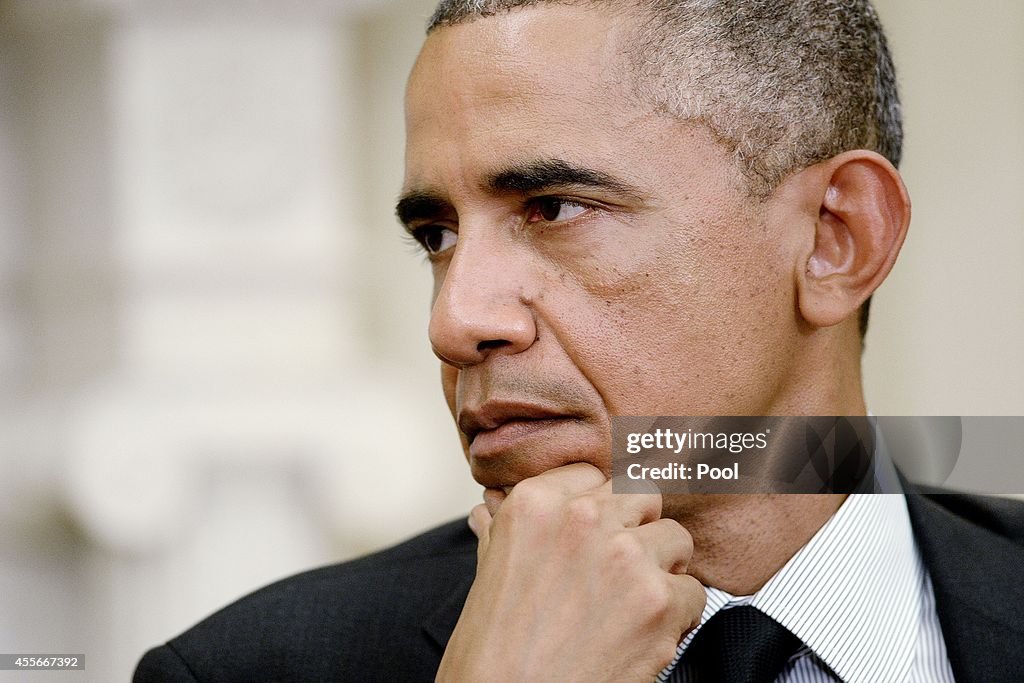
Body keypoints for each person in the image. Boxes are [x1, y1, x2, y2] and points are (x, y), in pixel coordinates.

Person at [135, 1, 1024, 681]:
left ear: (837, 238)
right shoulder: (245, 669)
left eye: (554, 209)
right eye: (436, 235)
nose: (454, 321)